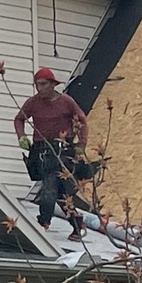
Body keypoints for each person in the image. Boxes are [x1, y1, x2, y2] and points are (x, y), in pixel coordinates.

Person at [14, 66, 89, 238]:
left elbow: (82, 120)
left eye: (43, 84)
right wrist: (22, 137)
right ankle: (77, 223)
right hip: (42, 151)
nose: (40, 88)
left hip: (63, 150)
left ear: (53, 84)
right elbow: (19, 119)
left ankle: (43, 222)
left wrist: (81, 143)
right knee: (60, 190)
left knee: (49, 188)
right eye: (37, 85)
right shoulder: (32, 103)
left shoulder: (66, 102)